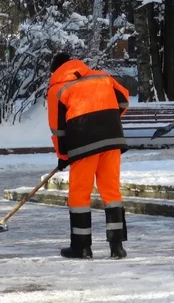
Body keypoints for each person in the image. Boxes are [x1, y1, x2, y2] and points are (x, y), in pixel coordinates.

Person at [47, 52, 130, 259]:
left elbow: (58, 129)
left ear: (55, 70)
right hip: (111, 141)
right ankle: (117, 247)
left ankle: (81, 247)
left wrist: (63, 155)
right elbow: (124, 100)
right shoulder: (102, 77)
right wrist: (105, 120)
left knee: (79, 194)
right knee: (111, 191)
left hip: (83, 144)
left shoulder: (57, 89)